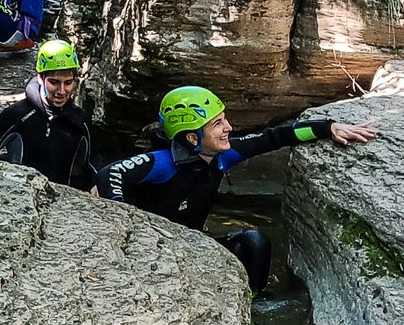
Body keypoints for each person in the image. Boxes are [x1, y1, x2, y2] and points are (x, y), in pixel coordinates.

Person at [96, 86, 376, 293]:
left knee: (255, 242)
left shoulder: (223, 155)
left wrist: (328, 127)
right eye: (218, 124)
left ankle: (249, 302)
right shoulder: (163, 162)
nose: (229, 127)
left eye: (224, 119)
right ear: (193, 137)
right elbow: (111, 173)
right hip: (156, 251)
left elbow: (275, 137)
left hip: (195, 245)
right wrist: (121, 212)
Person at [0, 39, 102, 189]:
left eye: (68, 83)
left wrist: (98, 183)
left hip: (63, 202)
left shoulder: (80, 120)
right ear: (40, 78)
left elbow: (93, 160)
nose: (61, 91)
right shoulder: (18, 115)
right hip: (19, 199)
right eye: (54, 82)